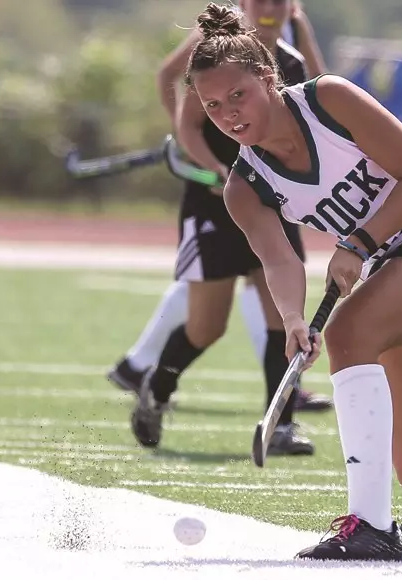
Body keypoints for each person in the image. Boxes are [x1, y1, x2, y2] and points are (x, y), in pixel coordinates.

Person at [185, 3, 402, 561]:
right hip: (398, 263)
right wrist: (291, 319)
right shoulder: (245, 188)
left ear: (267, 78)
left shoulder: (328, 99)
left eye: (238, 95)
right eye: (213, 106)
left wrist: (358, 242)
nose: (230, 115)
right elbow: (281, 262)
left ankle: (371, 528)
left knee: (349, 331)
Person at [123, 0, 331, 455]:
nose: (271, 8)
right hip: (214, 205)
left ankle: (280, 424)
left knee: (284, 312)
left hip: (270, 205)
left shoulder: (289, 65)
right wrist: (216, 168)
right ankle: (156, 389)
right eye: (262, 0)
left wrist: (306, 31)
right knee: (206, 326)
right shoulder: (217, 61)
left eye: (282, 1)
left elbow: (323, 99)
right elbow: (190, 125)